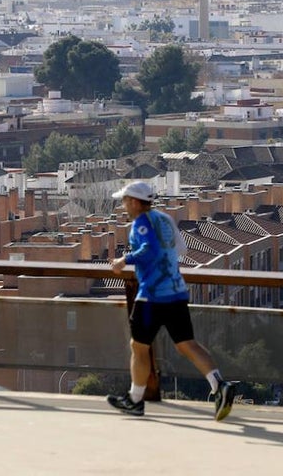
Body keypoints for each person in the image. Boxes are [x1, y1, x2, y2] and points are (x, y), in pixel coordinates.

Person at [106, 180, 236, 420]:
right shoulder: (164, 219)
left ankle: (135, 399)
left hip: (152, 297)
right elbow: (181, 250)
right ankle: (219, 385)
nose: (123, 205)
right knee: (187, 343)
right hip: (176, 292)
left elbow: (150, 250)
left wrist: (124, 261)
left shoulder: (140, 224)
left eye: (124, 201)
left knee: (138, 346)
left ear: (135, 202)